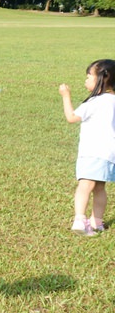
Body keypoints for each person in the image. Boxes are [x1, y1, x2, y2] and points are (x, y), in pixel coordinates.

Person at [58, 59, 115, 235]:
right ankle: (96, 222)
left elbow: (71, 117)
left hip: (91, 152)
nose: (86, 79)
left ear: (102, 78)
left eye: (89, 76)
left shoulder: (94, 102)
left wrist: (65, 96)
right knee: (99, 187)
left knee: (85, 185)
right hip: (108, 153)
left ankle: (79, 221)